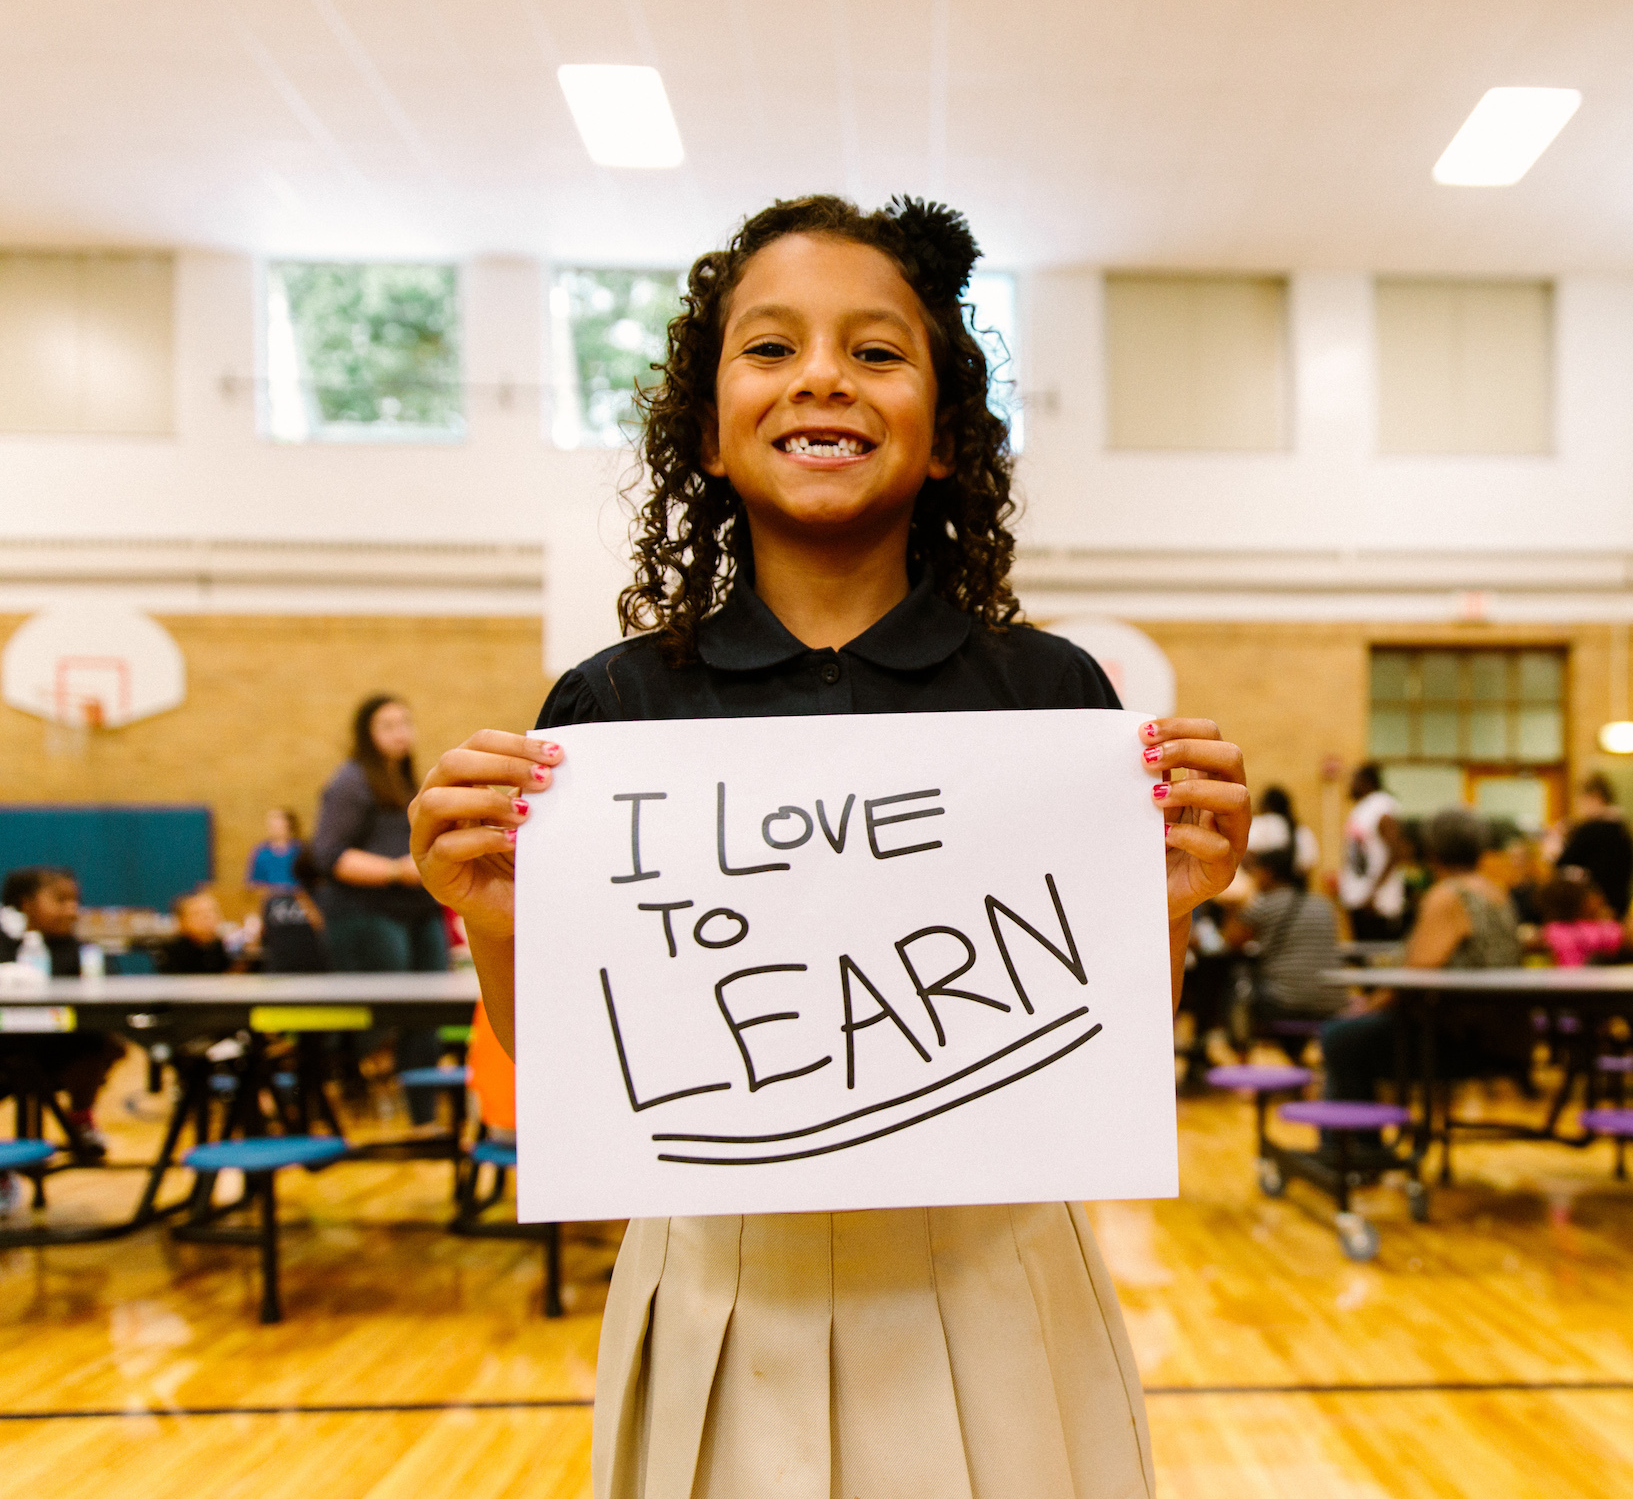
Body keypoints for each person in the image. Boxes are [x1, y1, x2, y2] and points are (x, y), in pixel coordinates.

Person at [407, 193, 1250, 1498]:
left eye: (875, 350)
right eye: (770, 346)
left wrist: (1174, 905)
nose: (821, 377)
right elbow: (563, 1061)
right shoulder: (609, 713)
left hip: (998, 1267)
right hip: (719, 1278)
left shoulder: (1053, 699)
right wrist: (493, 916)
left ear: (947, 435)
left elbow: (1101, 1042)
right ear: (707, 429)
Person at [1320, 807, 1524, 1101]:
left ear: (1431, 849)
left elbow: (1415, 976)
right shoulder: (1498, 894)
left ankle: (1357, 1131)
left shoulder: (1448, 896)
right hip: (1501, 1035)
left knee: (1340, 1036)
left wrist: (1366, 1006)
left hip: (1454, 1038)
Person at [315, 694, 449, 1120]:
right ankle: (362, 1100)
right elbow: (329, 855)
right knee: (386, 1016)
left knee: (429, 1012)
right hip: (369, 913)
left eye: (405, 722)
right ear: (367, 734)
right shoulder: (350, 782)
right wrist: (395, 870)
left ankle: (423, 1115)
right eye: (388, 725)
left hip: (419, 911)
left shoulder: (409, 782)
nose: (400, 732)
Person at [0, 868, 124, 1160]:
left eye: (74, 901)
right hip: (5, 1051)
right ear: (26, 904)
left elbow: (110, 985)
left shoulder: (82, 950)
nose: (71, 910)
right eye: (60, 900)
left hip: (57, 1051)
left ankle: (80, 1117)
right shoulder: (6, 945)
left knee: (106, 1043)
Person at [1221, 844, 1347, 1062]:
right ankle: (1296, 1061)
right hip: (1331, 1001)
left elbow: (1231, 939)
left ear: (1268, 872)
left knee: (1237, 988)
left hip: (1288, 1001)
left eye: (1256, 870)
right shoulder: (1322, 904)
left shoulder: (1267, 904)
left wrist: (1237, 899)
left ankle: (1242, 1063)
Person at [1557, 772, 1633, 920]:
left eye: (1581, 800)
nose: (1579, 806)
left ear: (1595, 797)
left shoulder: (1592, 829)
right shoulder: (1624, 828)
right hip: (1620, 905)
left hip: (1593, 909)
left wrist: (1559, 841)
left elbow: (1563, 863)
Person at [1337, 764, 1405, 940]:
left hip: (1377, 905)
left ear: (1367, 782)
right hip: (1360, 899)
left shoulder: (1381, 806)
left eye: (1354, 779)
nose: (1350, 785)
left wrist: (1374, 893)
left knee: (1376, 953)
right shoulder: (1363, 808)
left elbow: (1397, 852)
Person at [1538, 872, 1623, 966]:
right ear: (1581, 903)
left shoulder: (1549, 931)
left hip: (1563, 975)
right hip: (1587, 975)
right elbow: (1619, 936)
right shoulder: (1599, 930)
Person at [158, 887, 236, 975]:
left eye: (212, 912)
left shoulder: (227, 949)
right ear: (181, 921)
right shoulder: (170, 953)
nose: (207, 918)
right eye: (197, 913)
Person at [1247, 785, 1318, 880]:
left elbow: (1247, 852)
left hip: (1265, 883)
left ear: (1266, 806)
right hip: (1295, 884)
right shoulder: (1303, 831)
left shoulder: (1264, 823)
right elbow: (1308, 863)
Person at [247, 807, 306, 896]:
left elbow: (310, 883)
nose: (273, 825)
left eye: (278, 820)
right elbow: (252, 884)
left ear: (289, 824)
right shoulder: (260, 852)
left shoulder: (301, 851)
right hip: (269, 899)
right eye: (271, 822)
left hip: (297, 900)